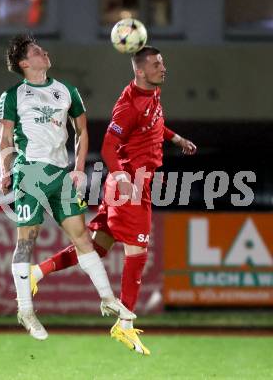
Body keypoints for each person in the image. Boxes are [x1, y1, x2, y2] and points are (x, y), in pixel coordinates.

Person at [28, 46, 197, 353]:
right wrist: (120, 176)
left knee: (97, 248)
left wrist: (175, 139)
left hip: (131, 184)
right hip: (130, 185)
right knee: (138, 252)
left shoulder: (151, 94)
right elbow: (108, 144)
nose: (163, 68)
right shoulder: (130, 104)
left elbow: (154, 124)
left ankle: (37, 273)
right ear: (140, 71)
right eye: (157, 65)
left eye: (163, 63)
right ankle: (125, 325)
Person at [0, 33, 135, 341]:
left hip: (61, 175)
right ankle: (26, 310)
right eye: (36, 51)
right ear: (24, 63)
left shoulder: (66, 90)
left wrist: (79, 168)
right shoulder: (13, 95)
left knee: (82, 237)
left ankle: (107, 298)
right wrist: (6, 169)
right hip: (30, 172)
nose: (44, 52)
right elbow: (5, 138)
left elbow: (82, 131)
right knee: (27, 241)